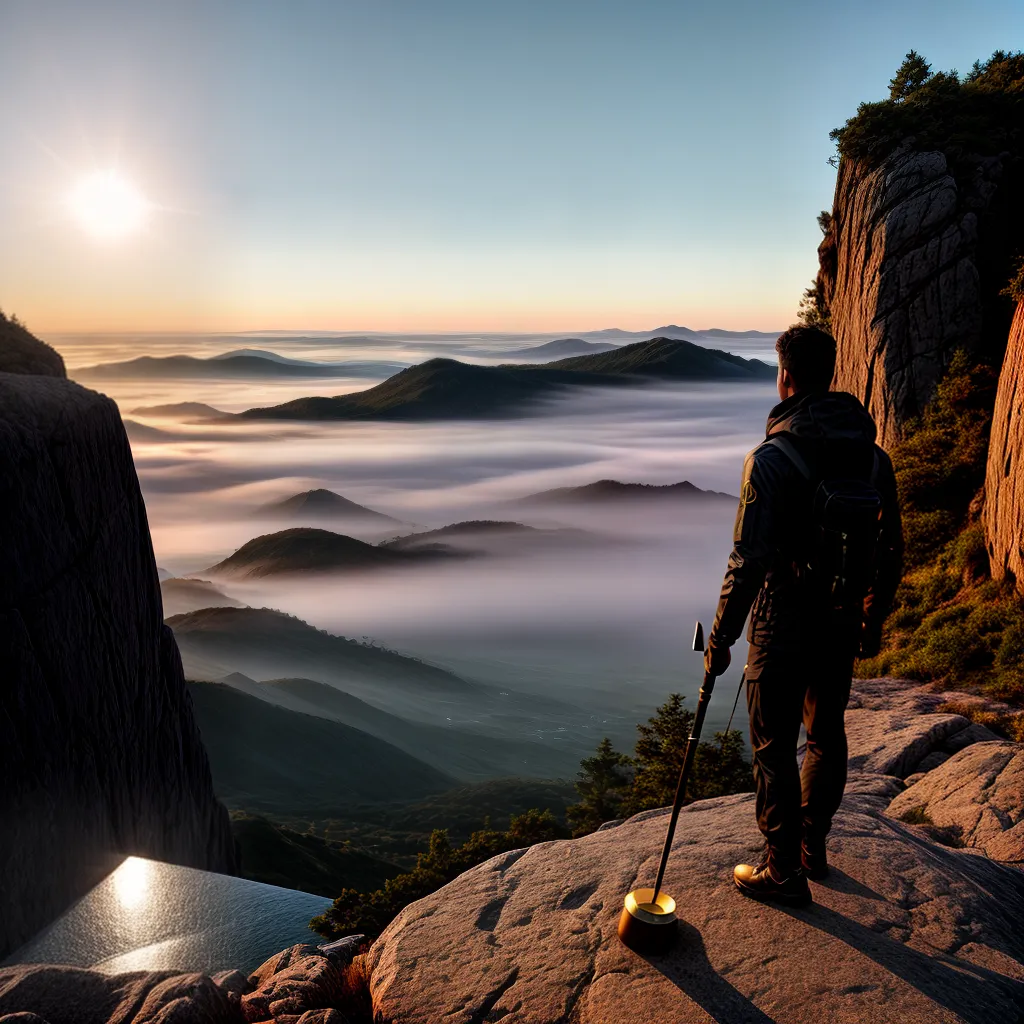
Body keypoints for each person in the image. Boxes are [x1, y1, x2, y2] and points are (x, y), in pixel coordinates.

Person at [705, 325, 903, 905]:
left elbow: (747, 559)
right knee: (825, 735)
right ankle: (813, 848)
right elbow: (891, 549)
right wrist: (872, 619)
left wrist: (721, 637)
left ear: (785, 376)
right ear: (831, 372)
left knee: (773, 746)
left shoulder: (770, 458)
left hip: (780, 623)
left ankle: (783, 870)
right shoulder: (873, 458)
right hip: (840, 619)